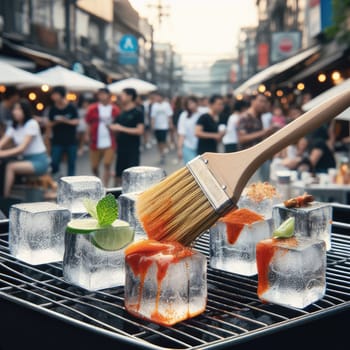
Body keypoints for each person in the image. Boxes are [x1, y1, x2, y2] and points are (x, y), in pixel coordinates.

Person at [0, 100, 49, 197]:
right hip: (24, 159)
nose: (15, 112)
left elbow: (21, 148)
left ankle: (5, 197)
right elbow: (2, 142)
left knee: (10, 166)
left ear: (25, 111)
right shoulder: (14, 126)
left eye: (18, 109)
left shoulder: (31, 124)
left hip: (39, 161)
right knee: (4, 163)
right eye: (14, 109)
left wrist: (2, 154)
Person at [109, 88, 144, 186]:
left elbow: (140, 130)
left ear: (130, 96)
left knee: (132, 177)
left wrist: (121, 128)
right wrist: (113, 129)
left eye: (122, 95)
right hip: (120, 149)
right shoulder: (121, 112)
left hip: (132, 149)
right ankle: (116, 198)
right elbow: (116, 127)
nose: (120, 97)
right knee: (118, 176)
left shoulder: (138, 112)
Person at [85, 88, 119, 186]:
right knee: (94, 166)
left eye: (104, 94)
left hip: (110, 141)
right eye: (100, 94)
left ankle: (105, 186)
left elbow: (118, 122)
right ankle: (98, 181)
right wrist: (87, 135)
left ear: (108, 95)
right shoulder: (92, 108)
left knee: (107, 164)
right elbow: (88, 123)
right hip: (96, 141)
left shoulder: (115, 109)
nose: (102, 96)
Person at [48, 86, 79, 177]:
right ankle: (57, 180)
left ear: (61, 95)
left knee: (71, 163)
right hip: (57, 141)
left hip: (71, 140)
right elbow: (49, 124)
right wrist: (56, 122)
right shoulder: (52, 109)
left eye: (55, 94)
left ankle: (71, 182)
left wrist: (65, 121)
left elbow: (77, 121)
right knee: (54, 162)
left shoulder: (71, 107)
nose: (53, 96)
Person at [151, 91, 173, 164]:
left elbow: (169, 115)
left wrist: (170, 124)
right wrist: (153, 126)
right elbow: (153, 117)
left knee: (163, 141)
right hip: (157, 127)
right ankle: (161, 153)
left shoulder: (166, 105)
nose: (157, 98)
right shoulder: (154, 105)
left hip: (164, 126)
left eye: (158, 96)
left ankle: (163, 154)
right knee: (158, 142)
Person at [177, 96, 201, 163]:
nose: (191, 105)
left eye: (192, 103)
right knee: (192, 167)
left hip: (201, 146)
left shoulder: (201, 114)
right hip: (188, 146)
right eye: (188, 104)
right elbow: (182, 133)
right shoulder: (184, 115)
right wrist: (179, 149)